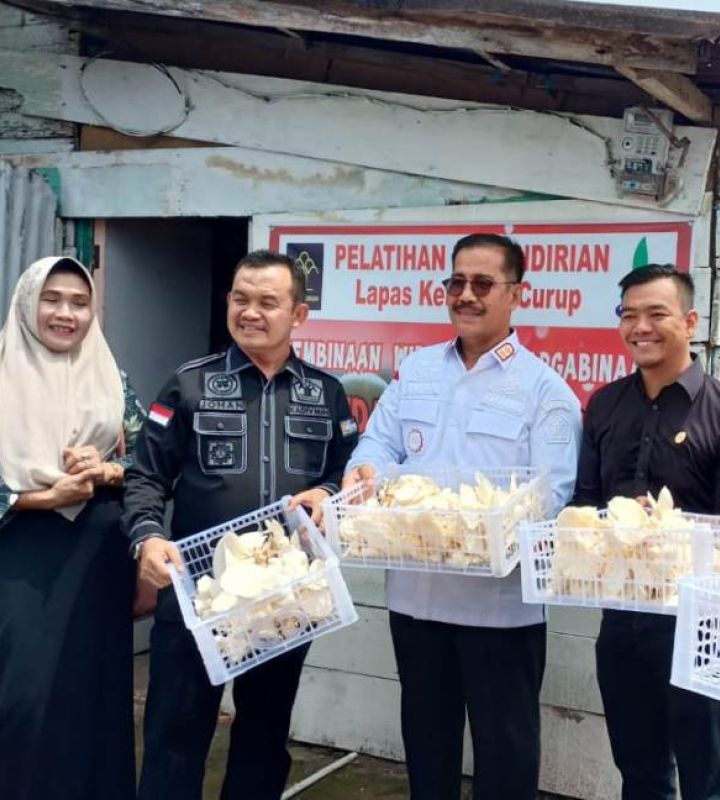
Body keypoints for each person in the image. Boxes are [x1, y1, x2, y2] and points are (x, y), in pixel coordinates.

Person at [342, 232, 581, 800]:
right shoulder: (417, 370)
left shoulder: (545, 390)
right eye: (456, 282)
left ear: (516, 294)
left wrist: (475, 528)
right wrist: (365, 476)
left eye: (482, 283)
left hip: (499, 610)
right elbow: (377, 446)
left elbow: (551, 493)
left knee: (506, 754)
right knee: (426, 745)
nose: (465, 295)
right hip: (416, 600)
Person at [125, 249, 358, 800]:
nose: (250, 312)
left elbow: (347, 470)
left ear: (298, 315)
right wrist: (147, 537)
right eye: (240, 299)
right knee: (174, 736)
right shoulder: (189, 386)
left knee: (263, 736)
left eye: (267, 302)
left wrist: (327, 494)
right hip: (196, 596)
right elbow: (144, 477)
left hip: (284, 600)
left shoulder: (325, 394)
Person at [570, 264, 720, 799]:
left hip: (698, 628)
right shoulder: (605, 405)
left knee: (707, 775)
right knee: (638, 767)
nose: (640, 327)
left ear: (690, 321)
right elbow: (584, 502)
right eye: (629, 315)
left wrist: (667, 529)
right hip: (622, 619)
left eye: (656, 314)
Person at [0, 256, 146, 800]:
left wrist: (108, 467)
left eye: (80, 302)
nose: (66, 313)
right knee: (23, 698)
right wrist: (40, 497)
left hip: (97, 552)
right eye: (52, 299)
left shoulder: (112, 377)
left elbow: (150, 463)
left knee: (94, 693)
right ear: (26, 302)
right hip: (18, 555)